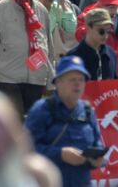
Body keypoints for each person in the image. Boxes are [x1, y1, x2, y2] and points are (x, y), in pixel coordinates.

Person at [24, 55, 108, 187]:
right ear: (58, 82)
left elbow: (97, 145)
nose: (77, 84)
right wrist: (60, 154)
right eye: (72, 79)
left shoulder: (87, 111)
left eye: (81, 80)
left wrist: (99, 159)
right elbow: (24, 151)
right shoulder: (41, 110)